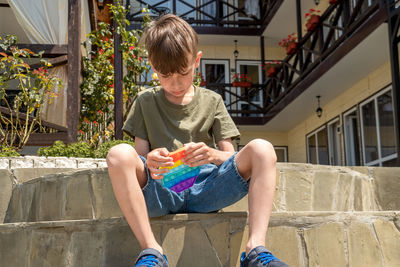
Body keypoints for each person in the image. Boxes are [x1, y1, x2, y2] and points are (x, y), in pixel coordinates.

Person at [106, 14, 289, 267]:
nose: (176, 83)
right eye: (165, 75)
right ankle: (151, 251)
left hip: (207, 189)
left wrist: (212, 155)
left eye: (183, 72)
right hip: (162, 191)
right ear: (152, 66)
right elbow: (138, 159)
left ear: (197, 61)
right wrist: (149, 162)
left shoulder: (212, 101)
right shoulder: (145, 101)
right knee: (118, 154)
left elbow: (231, 158)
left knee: (262, 148)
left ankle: (256, 249)